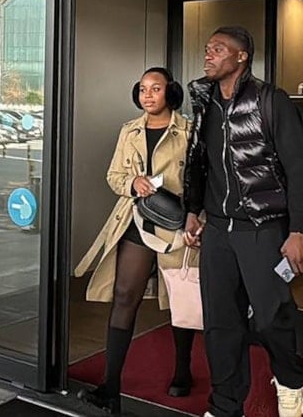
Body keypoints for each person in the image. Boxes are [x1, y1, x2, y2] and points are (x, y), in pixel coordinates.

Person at [183, 26, 303, 417]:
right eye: (207, 49)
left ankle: (290, 382)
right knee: (221, 325)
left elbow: (298, 169)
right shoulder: (204, 101)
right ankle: (225, 406)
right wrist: (192, 210)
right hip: (217, 230)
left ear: (241, 57)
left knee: (272, 318)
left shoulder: (271, 101)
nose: (208, 55)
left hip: (263, 228)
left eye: (218, 49)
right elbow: (198, 161)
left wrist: (298, 231)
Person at [74, 67, 197, 415]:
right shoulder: (129, 130)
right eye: (143, 89)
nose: (148, 95)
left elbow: (201, 179)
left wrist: (196, 217)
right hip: (136, 220)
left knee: (180, 297)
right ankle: (110, 387)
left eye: (155, 88)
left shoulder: (189, 131)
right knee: (125, 296)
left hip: (176, 223)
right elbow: (114, 175)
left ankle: (183, 371)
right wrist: (132, 183)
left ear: (170, 92)